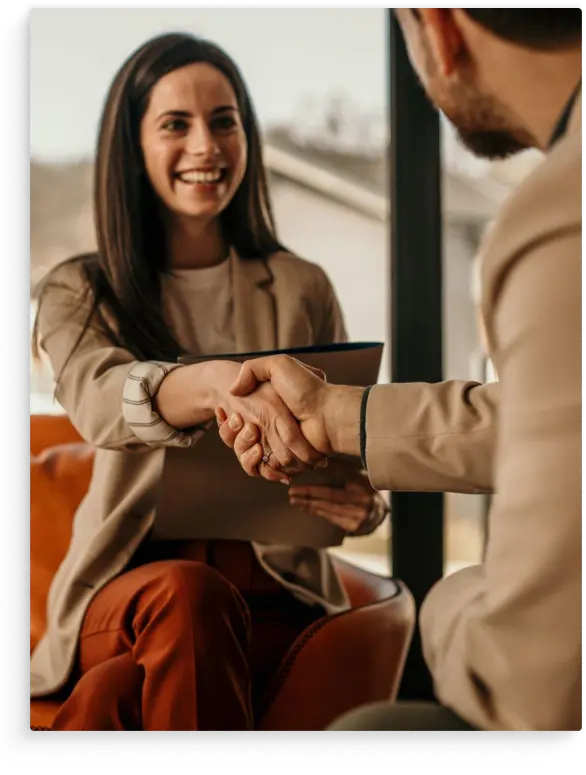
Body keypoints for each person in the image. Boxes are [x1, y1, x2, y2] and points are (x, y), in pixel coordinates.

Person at [218, 7, 582, 732]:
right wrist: (336, 415)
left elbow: (528, 697)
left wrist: (448, 602)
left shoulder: (555, 217)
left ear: (439, 28)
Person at [29, 32, 387, 732]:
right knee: (186, 596)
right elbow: (102, 400)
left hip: (272, 589)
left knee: (108, 701)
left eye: (225, 122)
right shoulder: (78, 289)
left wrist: (365, 507)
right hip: (127, 591)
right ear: (132, 146)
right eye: (175, 125)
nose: (206, 146)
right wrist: (215, 385)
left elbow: (349, 459)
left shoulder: (301, 285)